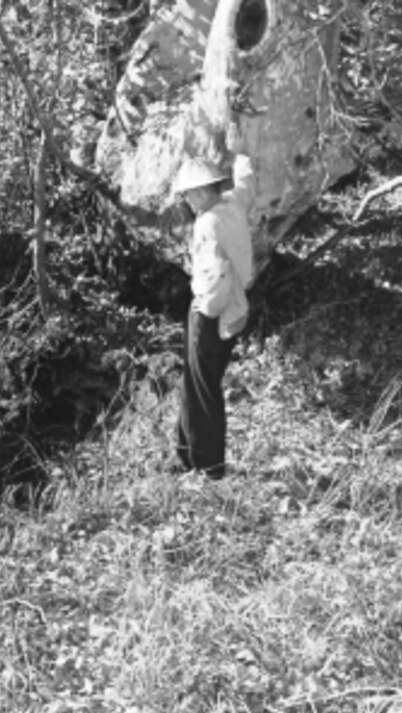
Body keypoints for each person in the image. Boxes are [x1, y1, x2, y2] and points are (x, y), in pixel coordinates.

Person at [171, 127, 256, 479]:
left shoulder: (207, 223)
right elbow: (246, 183)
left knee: (202, 389)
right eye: (187, 195)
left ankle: (208, 468)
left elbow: (215, 276)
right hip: (237, 312)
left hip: (214, 315)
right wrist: (240, 153)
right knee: (196, 383)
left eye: (192, 193)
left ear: (207, 190)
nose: (189, 200)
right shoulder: (233, 203)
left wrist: (202, 310)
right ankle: (184, 454)